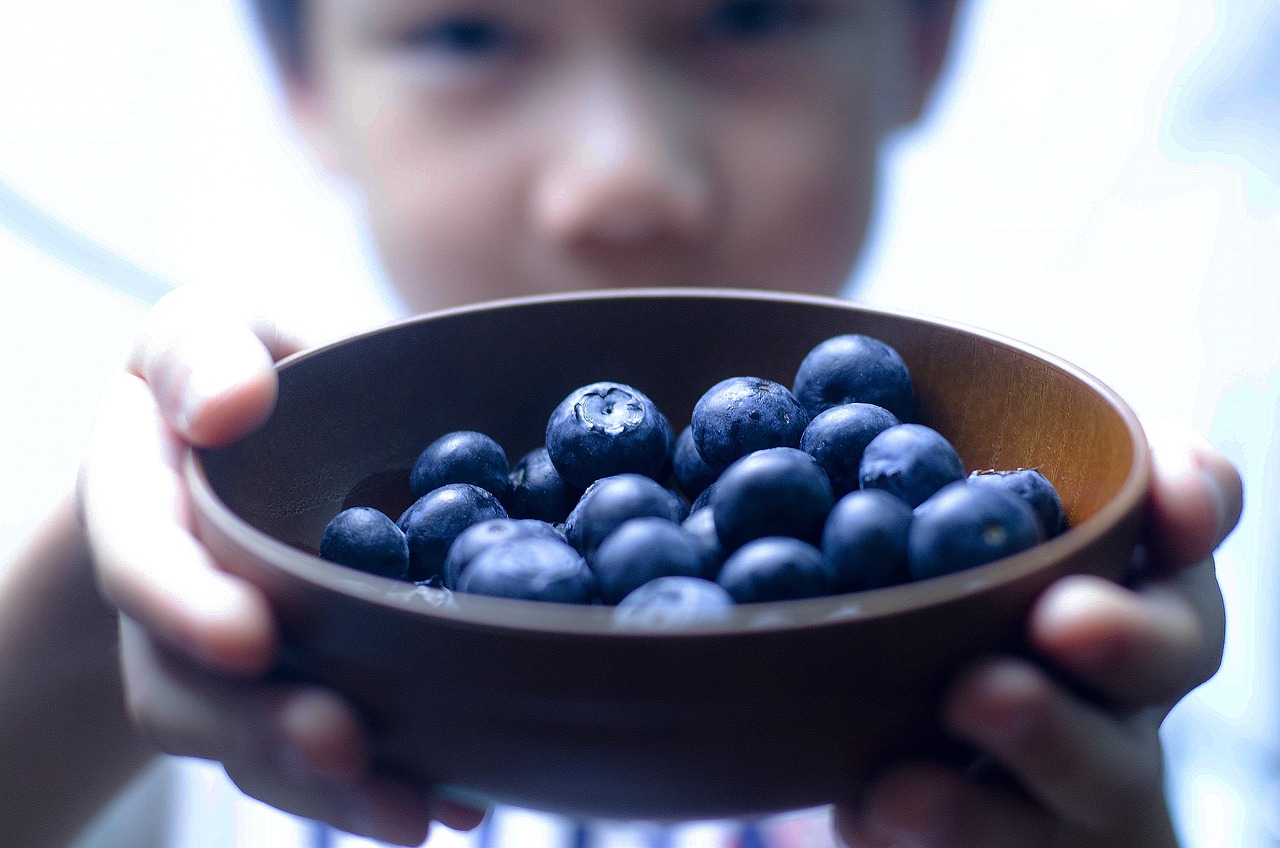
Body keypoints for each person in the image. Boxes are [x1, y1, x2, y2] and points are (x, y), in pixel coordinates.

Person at [0, 0, 1244, 846]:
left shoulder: (1100, 621)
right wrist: (91, 614)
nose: (620, 175)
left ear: (921, 43)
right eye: (468, 29)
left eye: (746, 10)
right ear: (306, 89)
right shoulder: (250, 666)